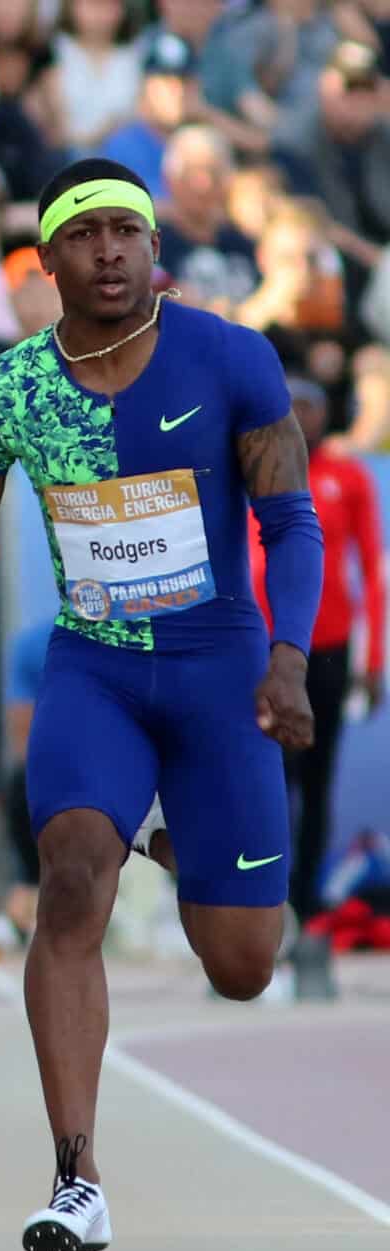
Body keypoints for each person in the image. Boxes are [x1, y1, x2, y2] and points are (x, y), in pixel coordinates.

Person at [0, 158, 322, 1251]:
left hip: (218, 672)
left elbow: (288, 522)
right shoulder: (7, 390)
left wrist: (285, 661)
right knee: (67, 877)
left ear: (155, 252)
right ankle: (74, 1175)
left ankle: (167, 829)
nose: (104, 251)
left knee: (241, 965)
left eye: (123, 233)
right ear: (42, 260)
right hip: (92, 674)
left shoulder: (228, 357)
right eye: (81, 235)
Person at [249, 377, 386, 925]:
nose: (302, 417)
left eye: (312, 406)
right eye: (293, 407)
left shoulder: (347, 477)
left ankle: (304, 908)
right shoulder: (254, 470)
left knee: (316, 777)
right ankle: (264, 898)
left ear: (327, 413)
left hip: (326, 650)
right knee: (266, 776)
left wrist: (372, 663)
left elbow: (373, 569)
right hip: (259, 650)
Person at [0, 615, 56, 939]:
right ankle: (29, 883)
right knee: (22, 783)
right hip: (58, 766)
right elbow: (23, 740)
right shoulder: (35, 644)